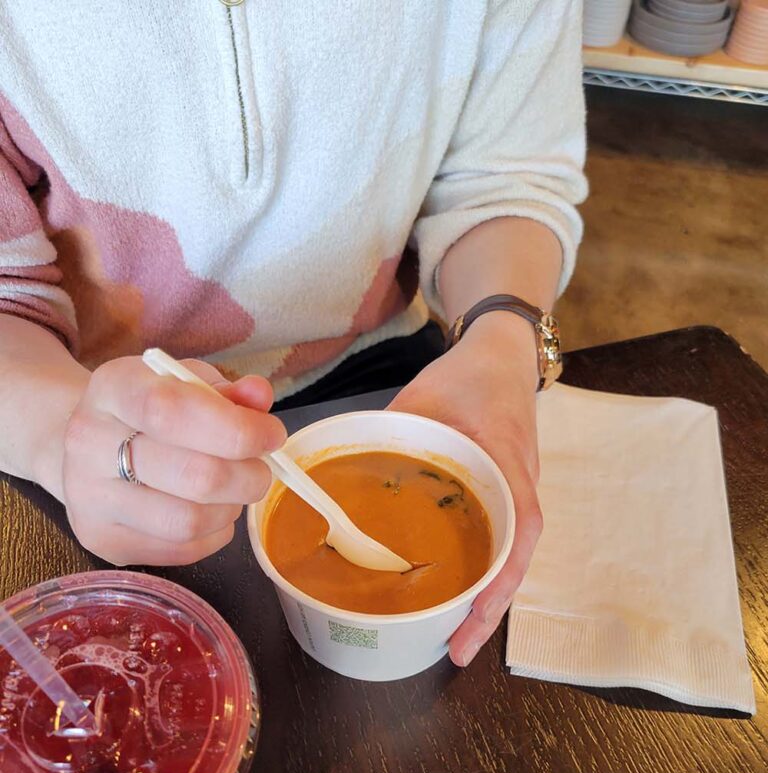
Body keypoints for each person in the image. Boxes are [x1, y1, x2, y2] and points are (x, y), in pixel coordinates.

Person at [0, 1, 586, 666]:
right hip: (96, 421)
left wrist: (501, 339)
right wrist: (60, 436)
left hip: (395, 370)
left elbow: (507, 180)